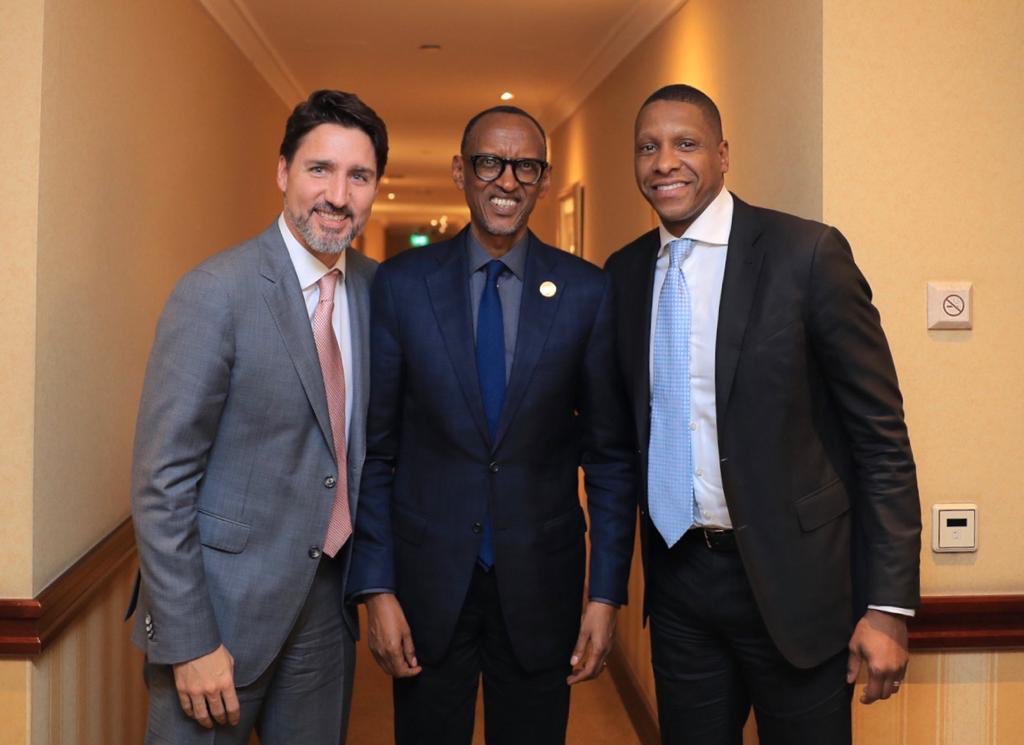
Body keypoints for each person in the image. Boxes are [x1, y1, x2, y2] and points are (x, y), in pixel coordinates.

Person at [604, 84, 922, 744]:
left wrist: (889, 605)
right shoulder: (625, 273)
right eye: (647, 147)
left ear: (722, 155)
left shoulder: (806, 255)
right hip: (680, 584)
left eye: (685, 143)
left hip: (796, 585)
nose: (664, 162)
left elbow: (881, 440)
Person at [347, 105, 635, 745]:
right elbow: (376, 450)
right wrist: (377, 587)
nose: (507, 180)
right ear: (461, 171)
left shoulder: (587, 292)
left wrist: (605, 595)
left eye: (526, 166)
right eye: (489, 163)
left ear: (544, 180)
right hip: (427, 583)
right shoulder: (401, 285)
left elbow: (609, 459)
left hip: (542, 584)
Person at [128, 89, 386, 744]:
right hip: (218, 615)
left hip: (325, 609)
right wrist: (189, 639)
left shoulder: (378, 291)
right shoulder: (216, 291)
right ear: (283, 172)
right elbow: (162, 482)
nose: (337, 195)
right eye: (320, 169)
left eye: (358, 176)